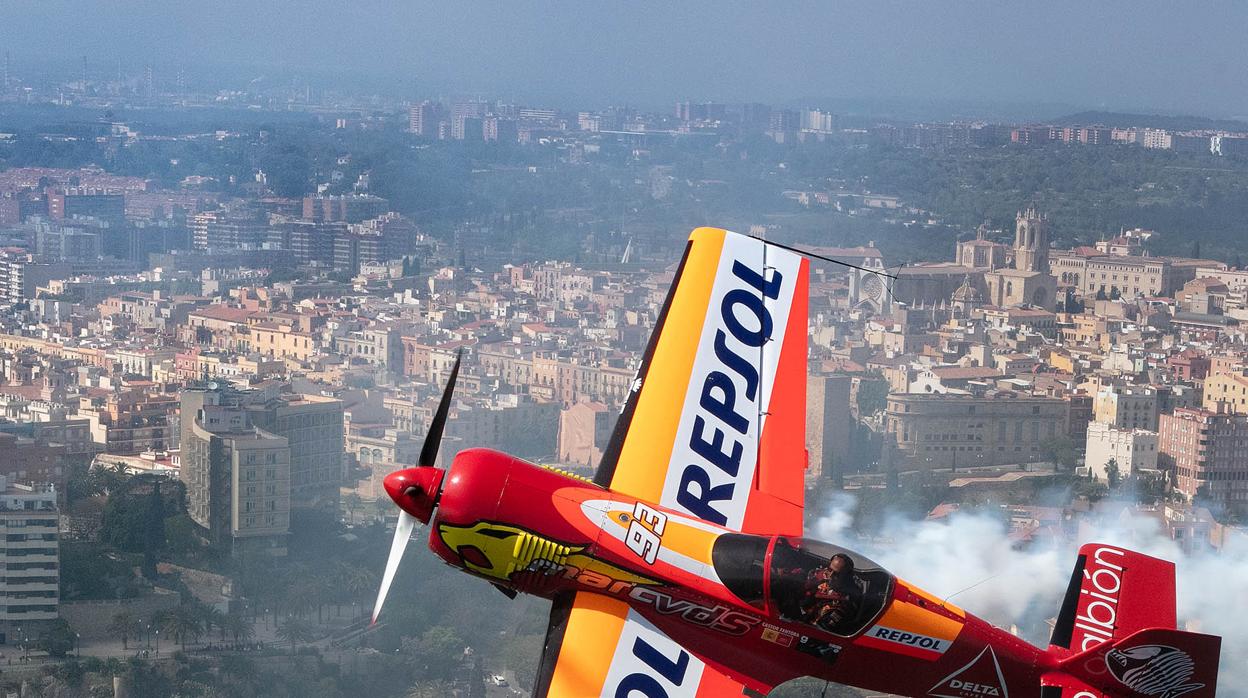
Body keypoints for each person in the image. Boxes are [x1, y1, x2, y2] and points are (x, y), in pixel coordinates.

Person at [803, 554, 860, 632]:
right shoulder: (819, 574)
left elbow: (822, 629)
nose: (831, 574)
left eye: (836, 573)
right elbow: (804, 588)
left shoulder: (847, 598)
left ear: (846, 575)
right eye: (830, 569)